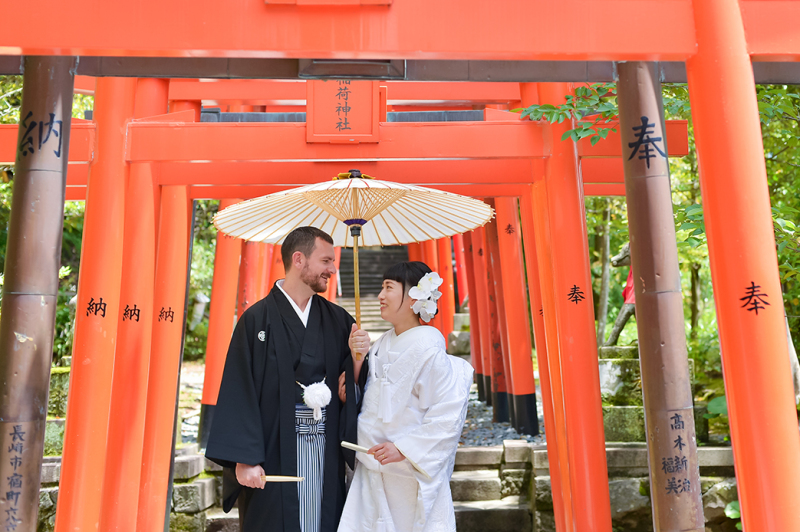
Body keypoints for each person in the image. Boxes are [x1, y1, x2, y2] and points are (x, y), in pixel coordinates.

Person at [205, 226, 371, 532]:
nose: (333, 269)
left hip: (325, 448)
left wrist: (358, 360)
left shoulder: (338, 320)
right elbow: (239, 389)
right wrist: (244, 458)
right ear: (299, 259)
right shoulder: (256, 320)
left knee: (324, 520)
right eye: (325, 261)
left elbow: (354, 385)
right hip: (273, 450)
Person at [338, 261, 473, 532]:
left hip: (408, 472)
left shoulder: (430, 351)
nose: (380, 295)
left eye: (389, 287)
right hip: (373, 464)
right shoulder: (381, 346)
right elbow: (367, 401)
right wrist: (353, 372)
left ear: (415, 296)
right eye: (382, 287)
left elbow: (446, 417)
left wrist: (404, 449)